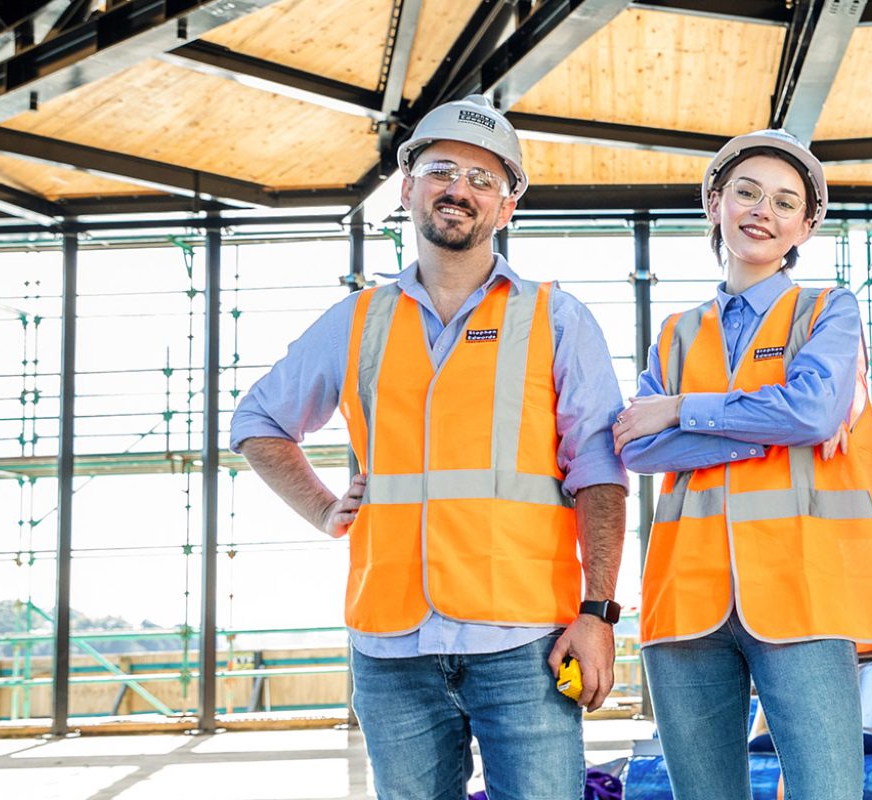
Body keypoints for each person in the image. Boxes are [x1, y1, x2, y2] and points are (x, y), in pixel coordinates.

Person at [230, 94, 629, 799]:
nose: (460, 190)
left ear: (507, 209)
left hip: (524, 640)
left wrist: (597, 614)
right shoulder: (357, 321)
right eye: (443, 171)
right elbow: (258, 422)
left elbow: (599, 474)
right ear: (409, 187)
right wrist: (325, 510)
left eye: (484, 181)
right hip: (391, 645)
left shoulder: (556, 318)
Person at [613, 129, 872, 800]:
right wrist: (772, 426)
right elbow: (637, 445)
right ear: (715, 203)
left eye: (782, 201)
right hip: (686, 599)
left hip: (804, 593)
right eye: (745, 192)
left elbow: (814, 413)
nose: (760, 211)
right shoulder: (677, 332)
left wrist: (682, 407)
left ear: (806, 224)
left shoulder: (828, 310)